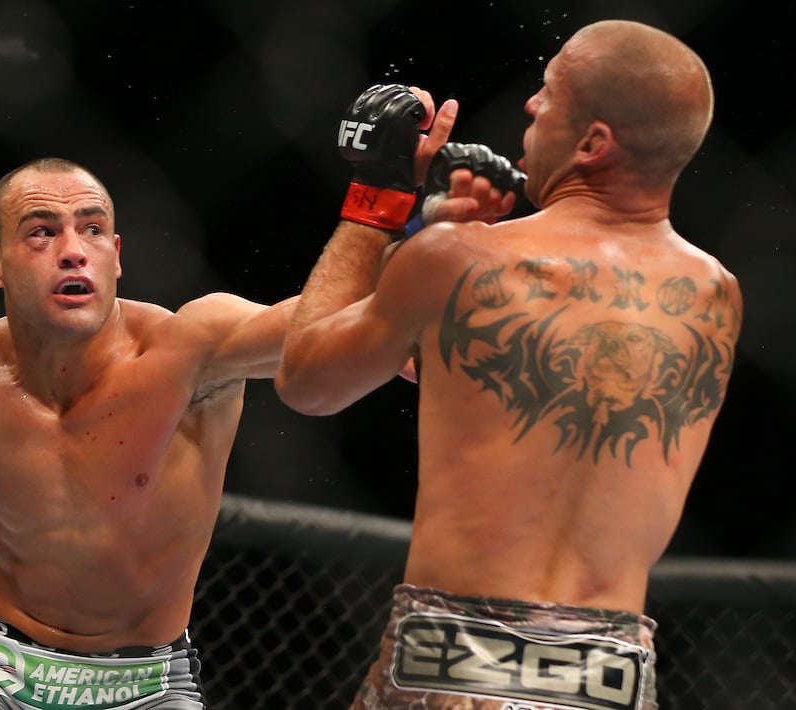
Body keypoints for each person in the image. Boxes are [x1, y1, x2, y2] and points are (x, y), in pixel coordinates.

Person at [0, 111, 472, 707]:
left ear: (117, 255)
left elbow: (311, 326)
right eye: (42, 233)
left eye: (93, 230)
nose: (73, 250)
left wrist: (395, 228)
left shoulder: (190, 347)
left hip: (146, 686)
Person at [275, 20, 742, 710]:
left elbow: (308, 382)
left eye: (550, 93)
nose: (529, 105)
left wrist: (382, 202)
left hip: (455, 662)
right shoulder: (713, 298)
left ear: (592, 144)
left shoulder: (459, 261)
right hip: (605, 676)